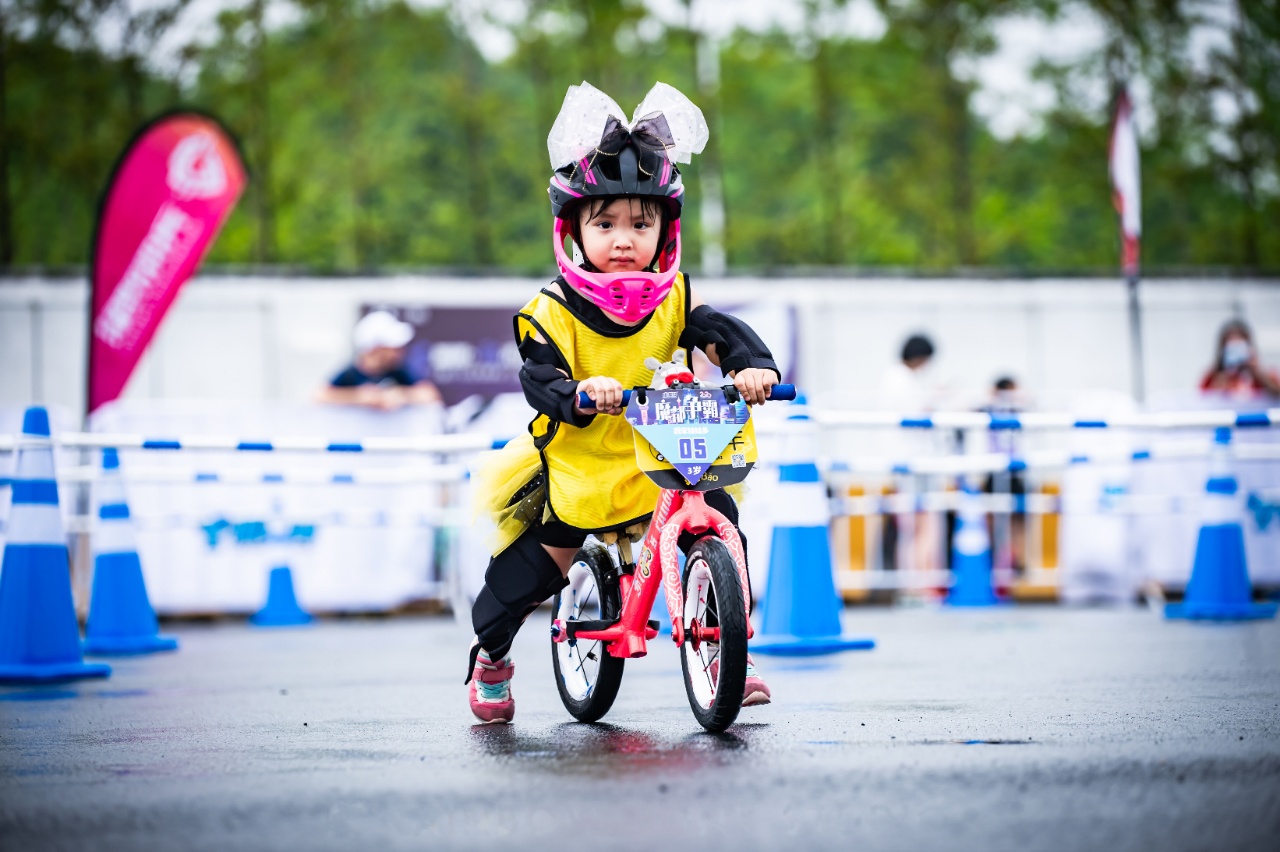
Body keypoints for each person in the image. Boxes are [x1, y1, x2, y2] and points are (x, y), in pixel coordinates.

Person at [465, 82, 781, 724]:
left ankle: (733, 646)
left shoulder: (675, 298)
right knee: (537, 572)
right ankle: (490, 654)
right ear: (573, 230)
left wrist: (753, 368)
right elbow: (540, 378)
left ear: (665, 230)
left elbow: (719, 334)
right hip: (585, 459)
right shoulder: (549, 312)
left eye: (641, 223)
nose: (623, 239)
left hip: (663, 450)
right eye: (604, 223)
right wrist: (579, 391)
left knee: (720, 515)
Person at [315, 310, 441, 409]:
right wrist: (359, 397)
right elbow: (318, 396)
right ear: (375, 349)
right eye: (392, 347)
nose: (400, 351)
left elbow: (431, 395)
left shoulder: (400, 371)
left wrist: (401, 395)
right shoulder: (350, 374)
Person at [1199, 319, 1280, 399]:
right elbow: (1200, 399)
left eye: (1240, 347)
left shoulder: (1263, 374)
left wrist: (1258, 374)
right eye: (1232, 349)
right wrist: (1218, 384)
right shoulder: (1213, 376)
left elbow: (1277, 392)